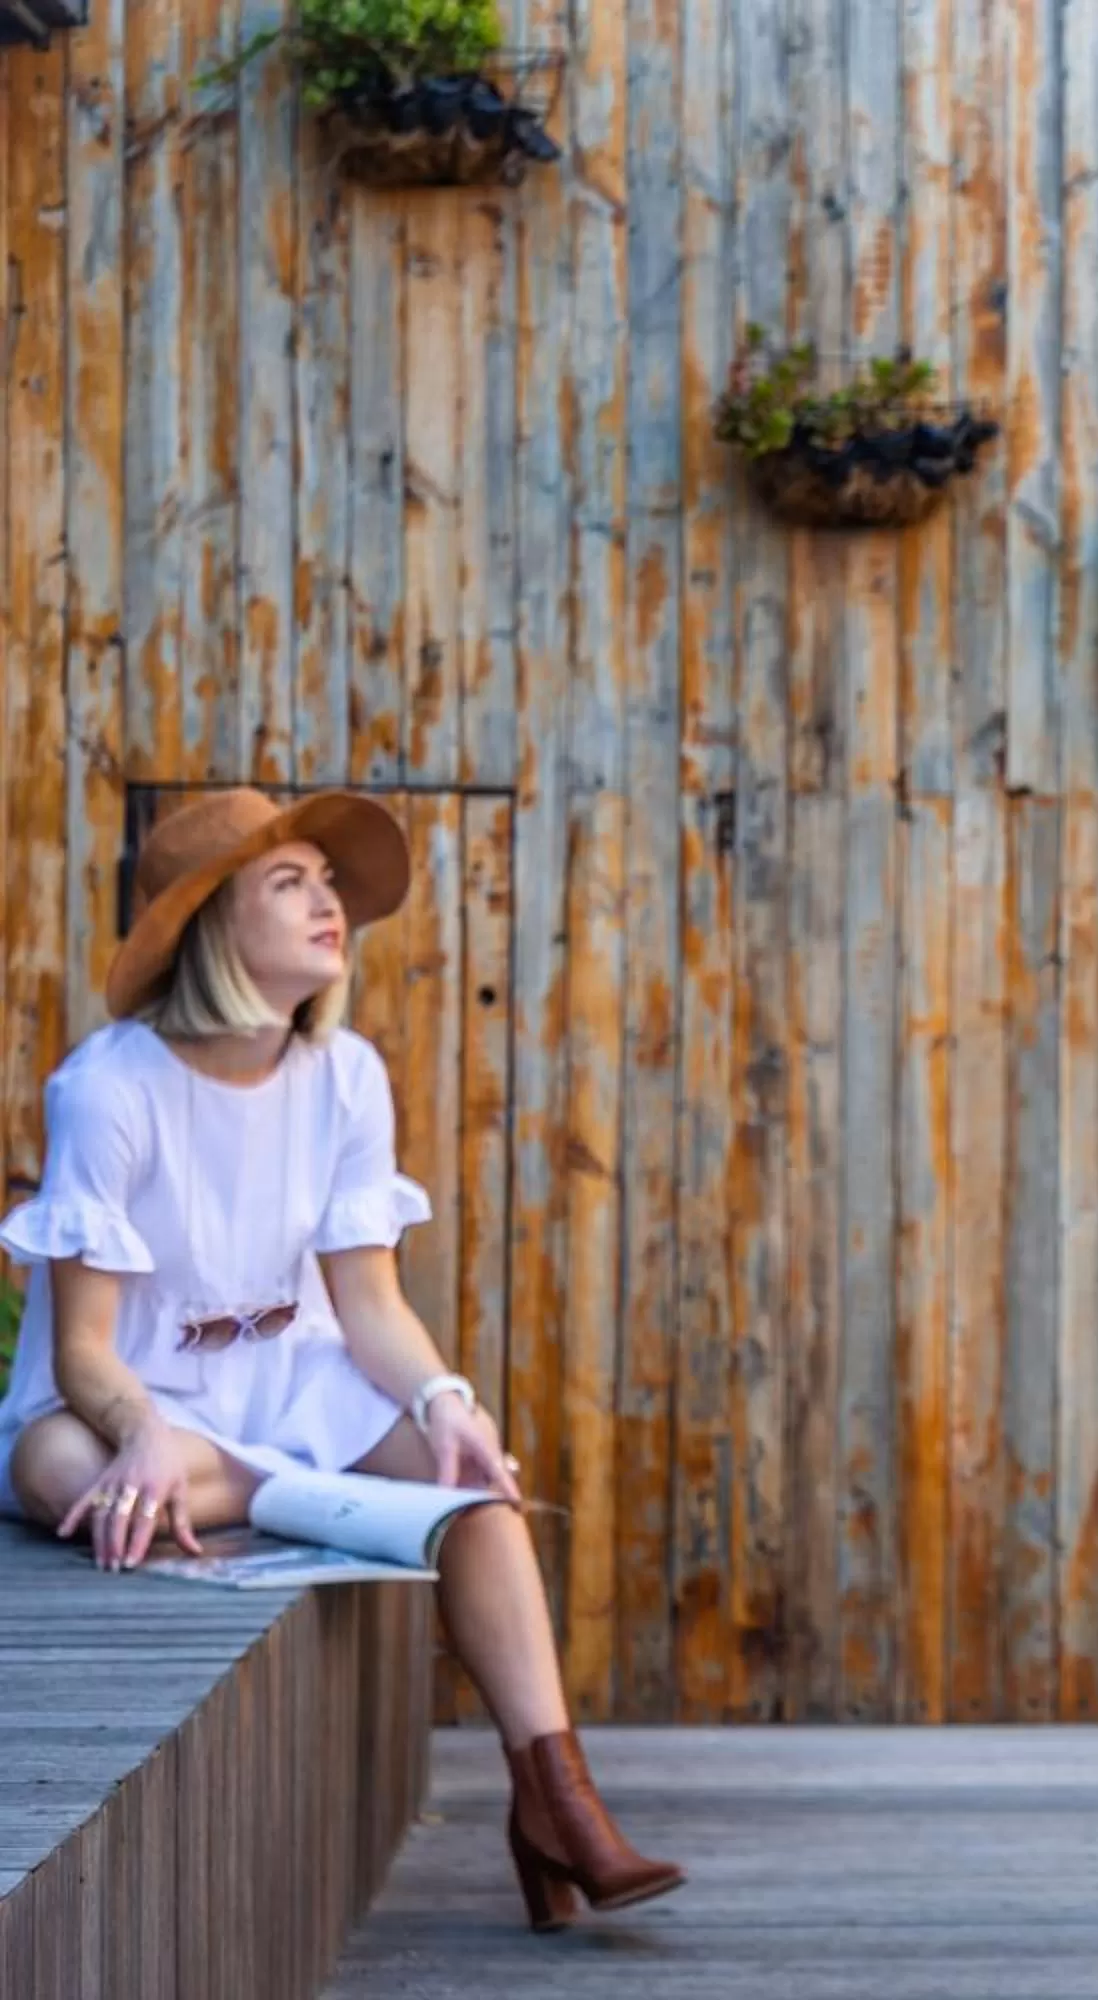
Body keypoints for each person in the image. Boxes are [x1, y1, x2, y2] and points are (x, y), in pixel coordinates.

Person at [0, 787, 683, 1934]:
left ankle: (559, 1799)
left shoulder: (346, 1074)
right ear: (214, 924)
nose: (328, 904)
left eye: (328, 883)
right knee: (60, 1468)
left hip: (297, 1379)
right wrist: (148, 1429)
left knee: (476, 1485)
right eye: (290, 882)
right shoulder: (109, 1087)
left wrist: (443, 1397)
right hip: (136, 1400)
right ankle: (300, 1495)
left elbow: (369, 1302)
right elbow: (80, 1348)